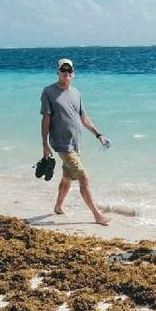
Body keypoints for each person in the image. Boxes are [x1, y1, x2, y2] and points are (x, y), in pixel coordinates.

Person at [41, 57, 110, 225]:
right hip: (62, 144)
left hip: (76, 143)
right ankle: (97, 215)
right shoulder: (49, 92)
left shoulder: (76, 93)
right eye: (63, 70)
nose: (66, 73)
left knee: (67, 178)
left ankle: (58, 206)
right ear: (57, 72)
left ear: (73, 74)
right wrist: (45, 145)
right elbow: (46, 119)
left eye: (69, 70)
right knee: (83, 177)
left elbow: (83, 117)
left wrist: (98, 134)